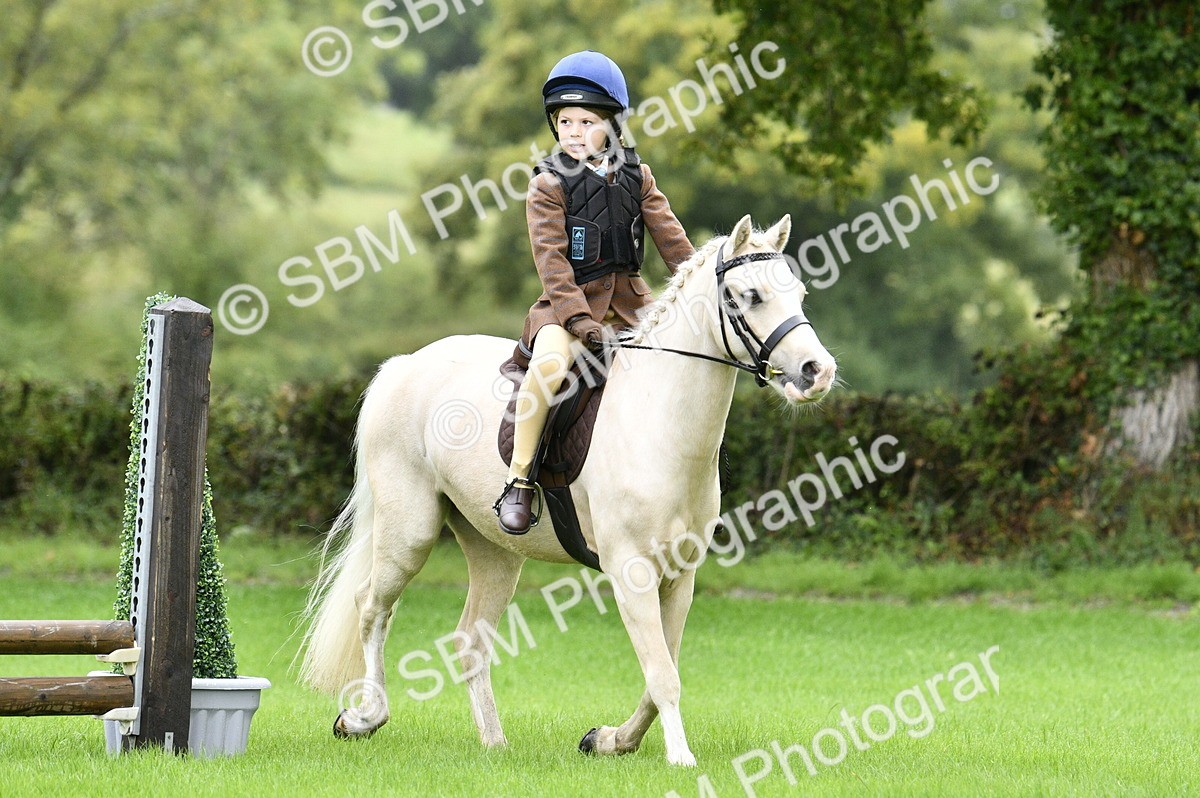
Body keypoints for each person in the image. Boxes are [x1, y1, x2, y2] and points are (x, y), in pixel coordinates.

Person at [495, 49, 695, 535]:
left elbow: (672, 240)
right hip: (567, 310)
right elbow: (552, 261)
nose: (574, 132)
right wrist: (578, 319)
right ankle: (520, 477)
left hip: (632, 307)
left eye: (587, 121)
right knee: (547, 369)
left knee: (688, 363)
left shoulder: (638, 176)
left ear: (612, 124)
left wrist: (696, 285)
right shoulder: (547, 185)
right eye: (565, 122)